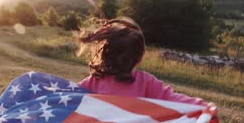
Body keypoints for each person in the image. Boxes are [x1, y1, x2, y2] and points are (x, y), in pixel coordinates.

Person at [77, 18, 217, 110]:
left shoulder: (95, 81)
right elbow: (172, 98)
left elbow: (68, 96)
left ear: (105, 55)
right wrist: (204, 106)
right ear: (140, 58)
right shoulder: (145, 82)